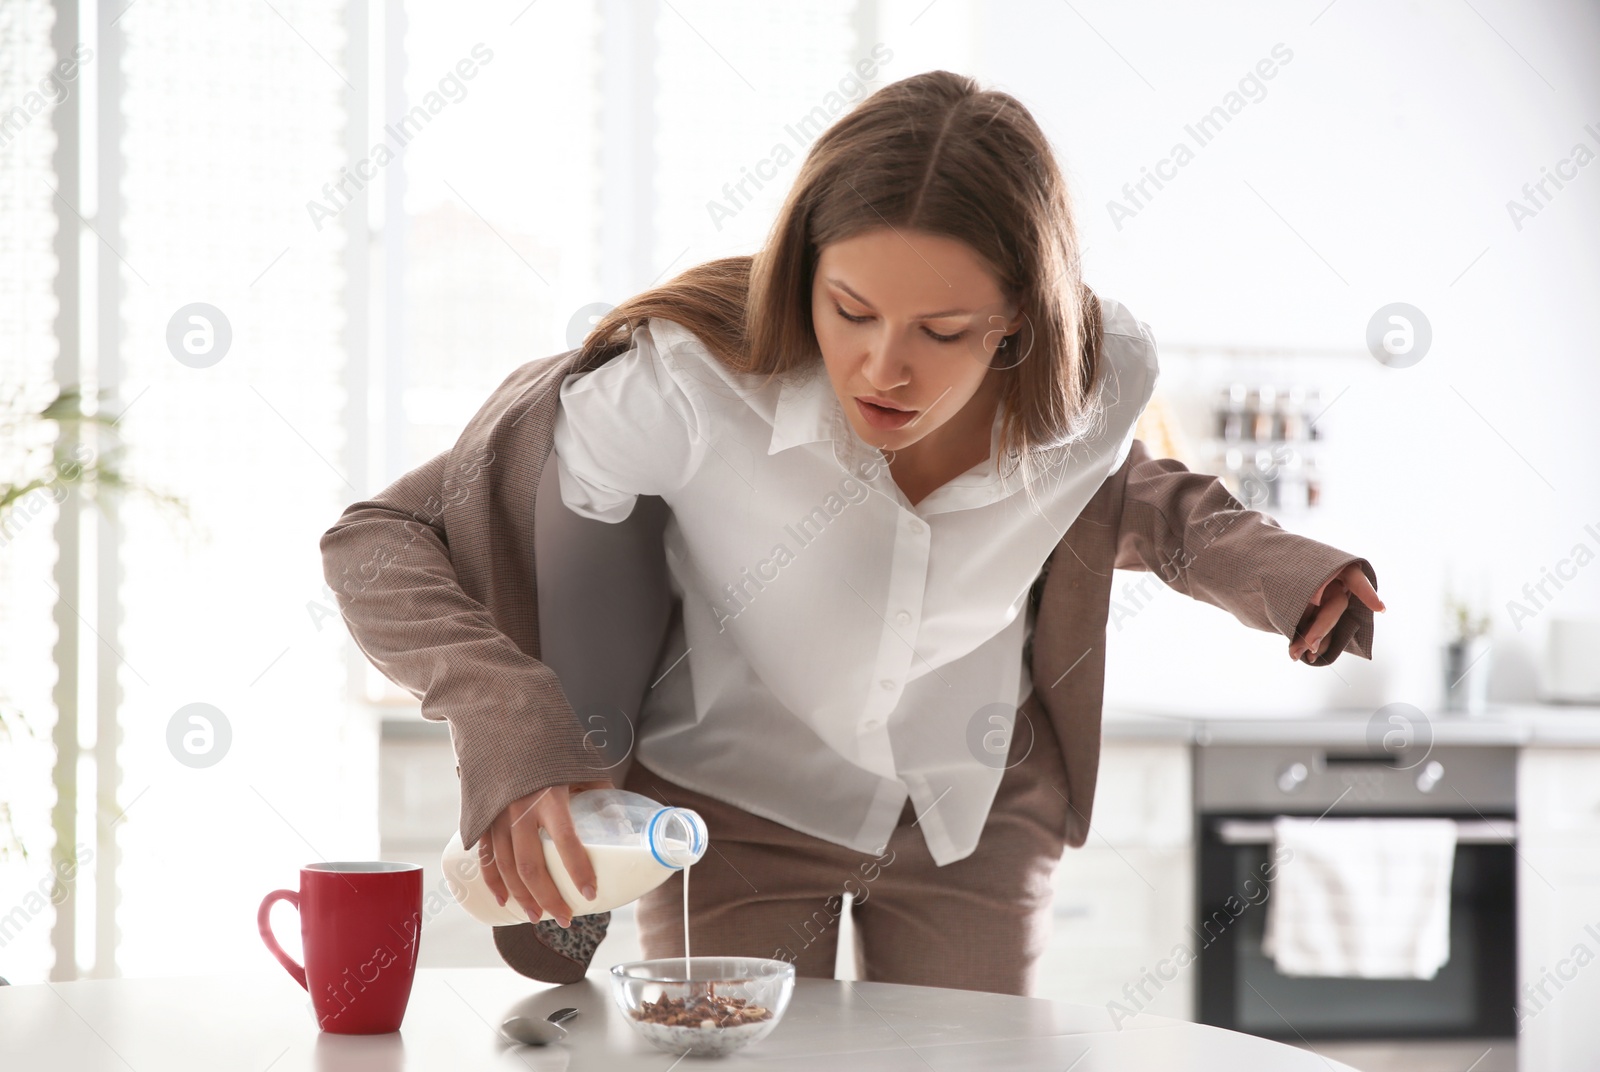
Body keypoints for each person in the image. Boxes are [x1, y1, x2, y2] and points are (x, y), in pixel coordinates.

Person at [452, 70, 1383, 995]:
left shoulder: (1102, 376)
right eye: (851, 310)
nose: (883, 367)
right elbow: (549, 515)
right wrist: (542, 737)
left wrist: (1280, 570)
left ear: (1017, 315)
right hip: (734, 803)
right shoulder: (688, 388)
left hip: (972, 807)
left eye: (940, 331)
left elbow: (1119, 492)